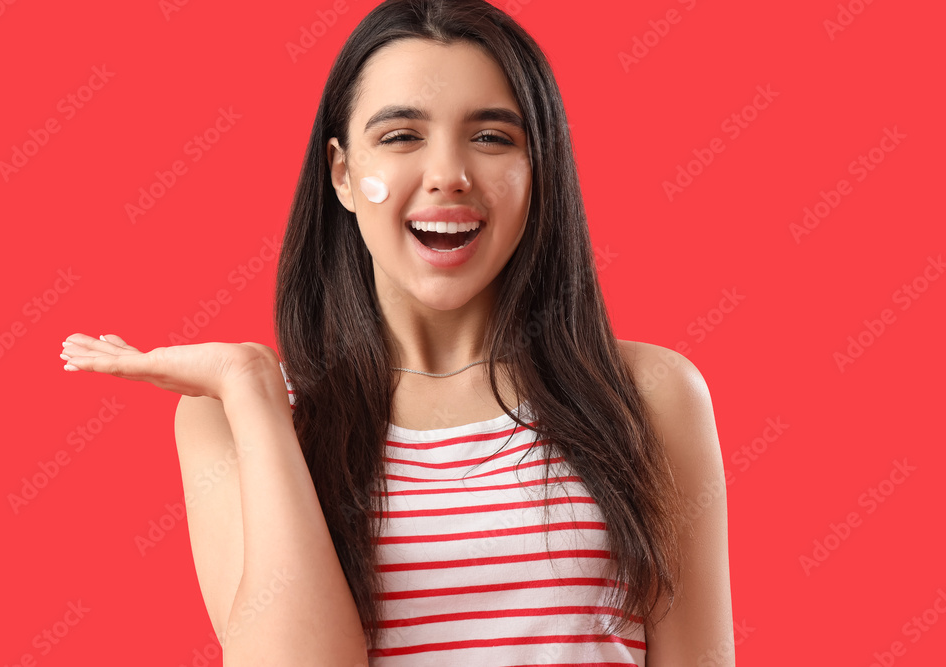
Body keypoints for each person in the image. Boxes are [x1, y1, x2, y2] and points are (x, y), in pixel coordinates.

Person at [59, 0, 733, 664]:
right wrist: (254, 391)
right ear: (343, 175)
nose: (448, 175)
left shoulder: (648, 395)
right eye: (401, 136)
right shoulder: (231, 418)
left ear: (539, 172)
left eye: (492, 137)